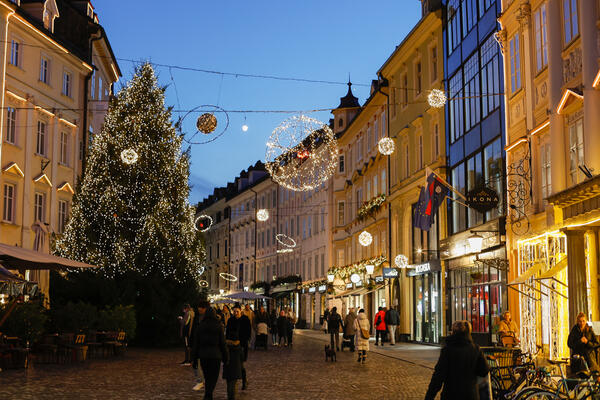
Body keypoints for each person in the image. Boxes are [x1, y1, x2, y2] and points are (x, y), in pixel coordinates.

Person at [425, 320, 489, 400]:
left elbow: (438, 376)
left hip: (451, 394)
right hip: (470, 394)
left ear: (453, 332)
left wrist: (429, 396)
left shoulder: (447, 350)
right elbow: (484, 371)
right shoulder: (475, 349)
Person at [191, 303, 228, 400]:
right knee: (213, 377)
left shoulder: (200, 326)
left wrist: (194, 359)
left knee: (207, 377)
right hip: (215, 355)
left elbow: (196, 344)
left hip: (204, 355)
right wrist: (226, 357)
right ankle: (208, 394)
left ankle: (208, 395)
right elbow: (222, 343)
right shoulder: (218, 326)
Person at [226, 304, 251, 390]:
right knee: (233, 363)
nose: (236, 313)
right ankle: (235, 381)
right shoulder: (230, 320)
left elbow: (248, 332)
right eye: (234, 311)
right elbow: (228, 332)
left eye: (237, 311)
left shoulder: (245, 320)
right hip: (232, 345)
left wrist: (243, 341)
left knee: (241, 365)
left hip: (242, 345)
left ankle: (244, 381)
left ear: (240, 311)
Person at [224, 317, 244, 400]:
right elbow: (242, 357)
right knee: (234, 383)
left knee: (229, 383)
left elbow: (224, 355)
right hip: (236, 367)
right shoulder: (238, 347)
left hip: (228, 366)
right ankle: (233, 397)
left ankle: (230, 396)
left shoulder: (226, 346)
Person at [190, 302, 208, 391]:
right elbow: (193, 331)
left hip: (206, 344)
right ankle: (200, 381)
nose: (199, 309)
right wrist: (191, 343)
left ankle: (204, 381)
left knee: (205, 364)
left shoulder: (209, 318)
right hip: (197, 344)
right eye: (198, 307)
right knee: (197, 363)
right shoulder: (197, 318)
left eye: (201, 307)